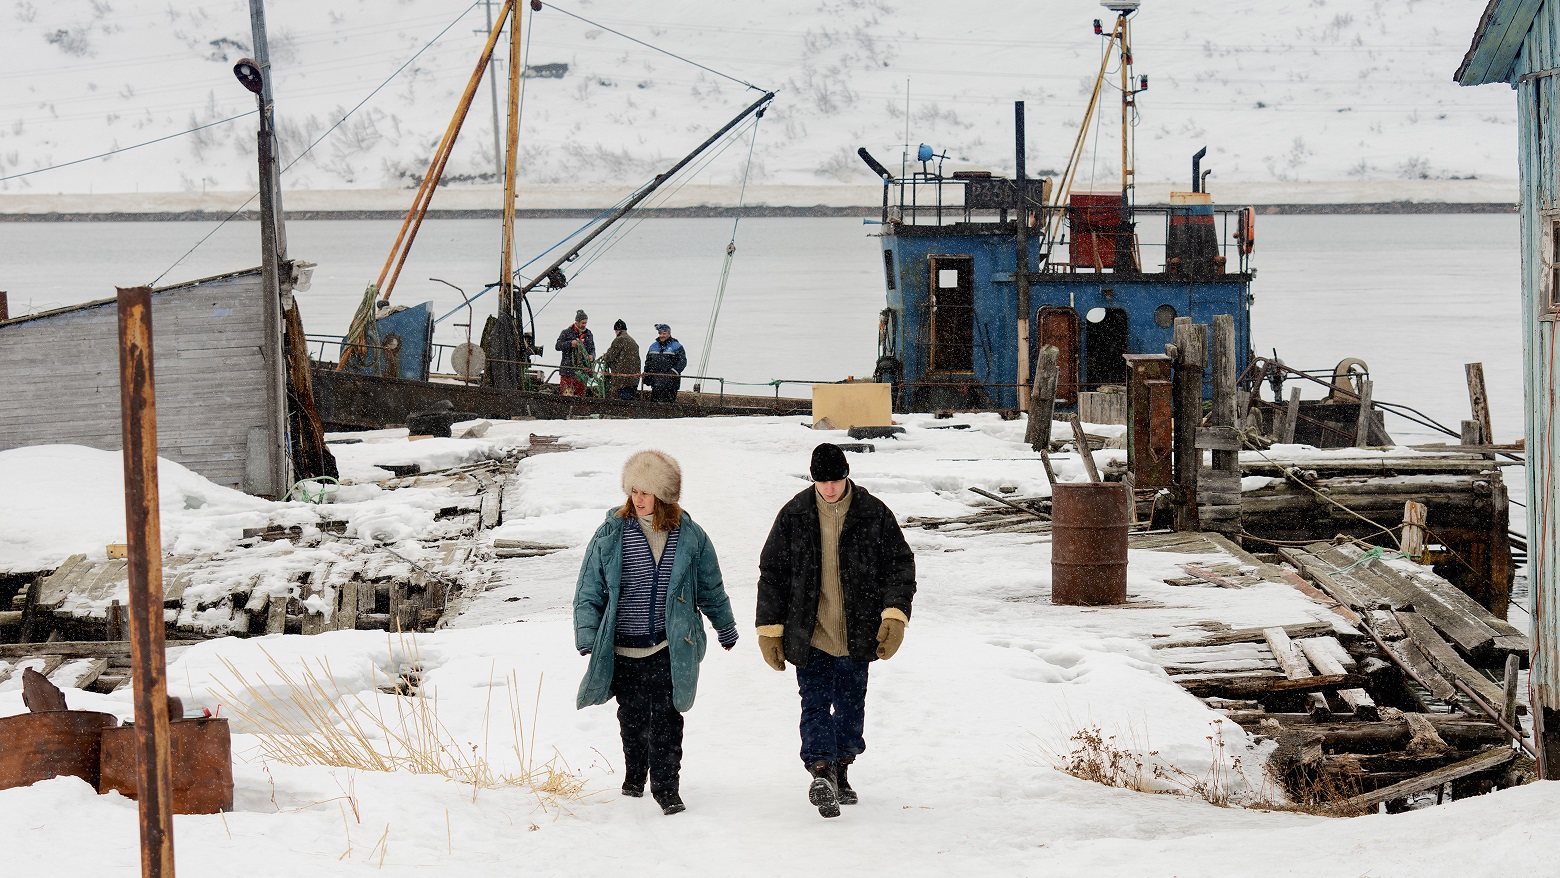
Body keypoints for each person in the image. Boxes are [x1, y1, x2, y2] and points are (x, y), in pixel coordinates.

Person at [754, 443, 916, 819]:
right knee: (813, 704)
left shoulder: (872, 513)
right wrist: (769, 629)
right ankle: (821, 772)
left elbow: (899, 566)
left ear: (846, 475)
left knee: (849, 708)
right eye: (821, 480)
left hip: (858, 633)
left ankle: (842, 767)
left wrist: (894, 615)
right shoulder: (794, 514)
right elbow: (772, 574)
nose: (829, 488)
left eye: (835, 479)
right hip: (810, 632)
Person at [574, 450, 739, 816]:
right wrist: (587, 633)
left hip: (669, 645)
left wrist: (724, 625)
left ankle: (667, 788)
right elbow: (590, 587)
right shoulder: (611, 534)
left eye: (646, 492)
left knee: (667, 718)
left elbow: (710, 585)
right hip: (624, 647)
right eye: (633, 490)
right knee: (631, 717)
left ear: (663, 495)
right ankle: (635, 774)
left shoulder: (689, 536)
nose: (639, 499)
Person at [642, 323, 687, 404]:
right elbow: (648, 362)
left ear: (669, 333)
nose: (661, 335)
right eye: (660, 333)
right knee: (654, 405)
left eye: (664, 333)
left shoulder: (677, 346)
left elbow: (682, 362)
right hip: (656, 383)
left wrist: (672, 373)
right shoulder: (653, 346)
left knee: (668, 405)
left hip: (671, 384)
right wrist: (647, 374)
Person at [555, 310, 595, 396]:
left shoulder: (588, 334)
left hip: (581, 372)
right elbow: (557, 346)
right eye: (582, 323)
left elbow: (592, 349)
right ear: (576, 322)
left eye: (585, 323)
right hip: (567, 370)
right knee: (565, 395)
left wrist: (592, 356)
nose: (584, 325)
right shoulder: (566, 332)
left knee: (580, 396)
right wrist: (570, 344)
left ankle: (578, 409)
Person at [600, 319, 642, 401]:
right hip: (633, 378)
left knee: (623, 401)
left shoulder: (619, 339)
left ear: (617, 330)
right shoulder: (632, 340)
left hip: (623, 379)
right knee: (630, 400)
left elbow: (610, 356)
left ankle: (623, 413)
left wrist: (605, 356)